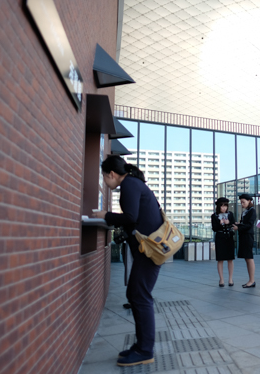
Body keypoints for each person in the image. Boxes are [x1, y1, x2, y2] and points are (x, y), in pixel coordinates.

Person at [94, 155, 162, 367]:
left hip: (149, 251)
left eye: (104, 177)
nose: (105, 182)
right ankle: (141, 345)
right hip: (147, 249)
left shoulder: (130, 184)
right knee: (135, 294)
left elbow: (131, 217)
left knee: (139, 296)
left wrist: (105, 215)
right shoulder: (134, 183)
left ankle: (145, 350)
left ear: (111, 174)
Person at [232, 194, 256, 288]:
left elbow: (250, 225)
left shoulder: (252, 211)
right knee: (247, 258)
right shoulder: (246, 211)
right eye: (241, 202)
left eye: (243, 202)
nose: (242, 204)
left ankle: (252, 280)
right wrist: (240, 224)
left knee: (249, 258)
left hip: (248, 236)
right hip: (244, 236)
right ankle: (250, 280)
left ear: (249, 201)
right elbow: (245, 223)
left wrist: (239, 227)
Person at [211, 198, 235, 287]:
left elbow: (234, 224)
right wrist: (220, 224)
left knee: (230, 259)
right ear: (218, 207)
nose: (224, 208)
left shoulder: (230, 214)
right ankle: (221, 279)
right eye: (222, 206)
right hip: (220, 237)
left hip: (229, 237)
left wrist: (229, 223)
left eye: (225, 206)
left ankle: (230, 279)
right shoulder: (214, 216)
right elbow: (214, 228)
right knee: (220, 259)